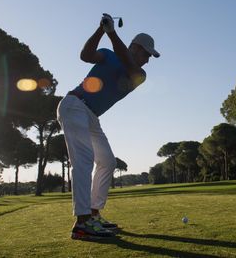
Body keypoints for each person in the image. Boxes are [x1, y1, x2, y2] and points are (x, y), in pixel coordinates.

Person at [57, 13, 160, 241]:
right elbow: (85, 55)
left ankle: (94, 214)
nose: (148, 60)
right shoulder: (108, 54)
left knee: (107, 161)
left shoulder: (139, 75)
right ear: (136, 48)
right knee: (83, 161)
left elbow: (127, 62)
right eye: (147, 54)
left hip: (92, 116)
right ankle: (82, 223)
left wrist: (112, 33)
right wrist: (101, 31)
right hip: (74, 105)